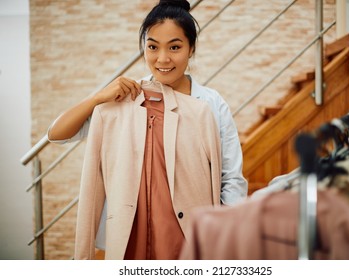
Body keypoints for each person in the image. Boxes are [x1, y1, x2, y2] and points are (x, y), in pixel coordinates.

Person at [48, 0, 248, 259]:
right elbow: (56, 134)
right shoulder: (124, 99)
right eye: (153, 47)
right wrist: (97, 98)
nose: (162, 59)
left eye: (175, 47)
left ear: (191, 49)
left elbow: (231, 178)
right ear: (144, 47)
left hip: (188, 235)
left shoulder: (209, 104)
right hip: (131, 232)